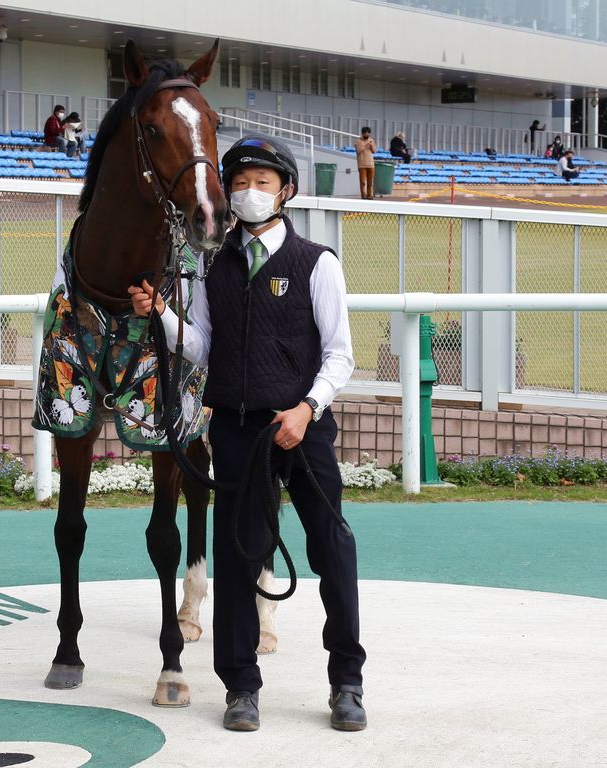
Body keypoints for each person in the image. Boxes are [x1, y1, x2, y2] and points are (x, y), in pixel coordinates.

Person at [128, 135, 366, 734]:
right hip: (237, 430)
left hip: (302, 427)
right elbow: (202, 346)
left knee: (332, 546)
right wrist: (161, 313)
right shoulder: (213, 266)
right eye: (240, 183)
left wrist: (306, 410)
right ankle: (240, 687)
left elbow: (340, 355)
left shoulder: (318, 262)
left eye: (263, 182)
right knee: (238, 556)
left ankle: (347, 681)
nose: (250, 192)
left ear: (286, 192)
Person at [354, 126, 376, 199]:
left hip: (371, 164)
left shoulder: (371, 140)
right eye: (365, 133)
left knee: (370, 182)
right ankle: (363, 194)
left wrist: (371, 146)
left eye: (368, 133)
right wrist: (365, 146)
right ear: (362, 133)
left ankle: (370, 195)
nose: (367, 134)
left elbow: (374, 151)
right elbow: (358, 151)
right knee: (363, 182)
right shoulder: (358, 141)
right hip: (362, 164)